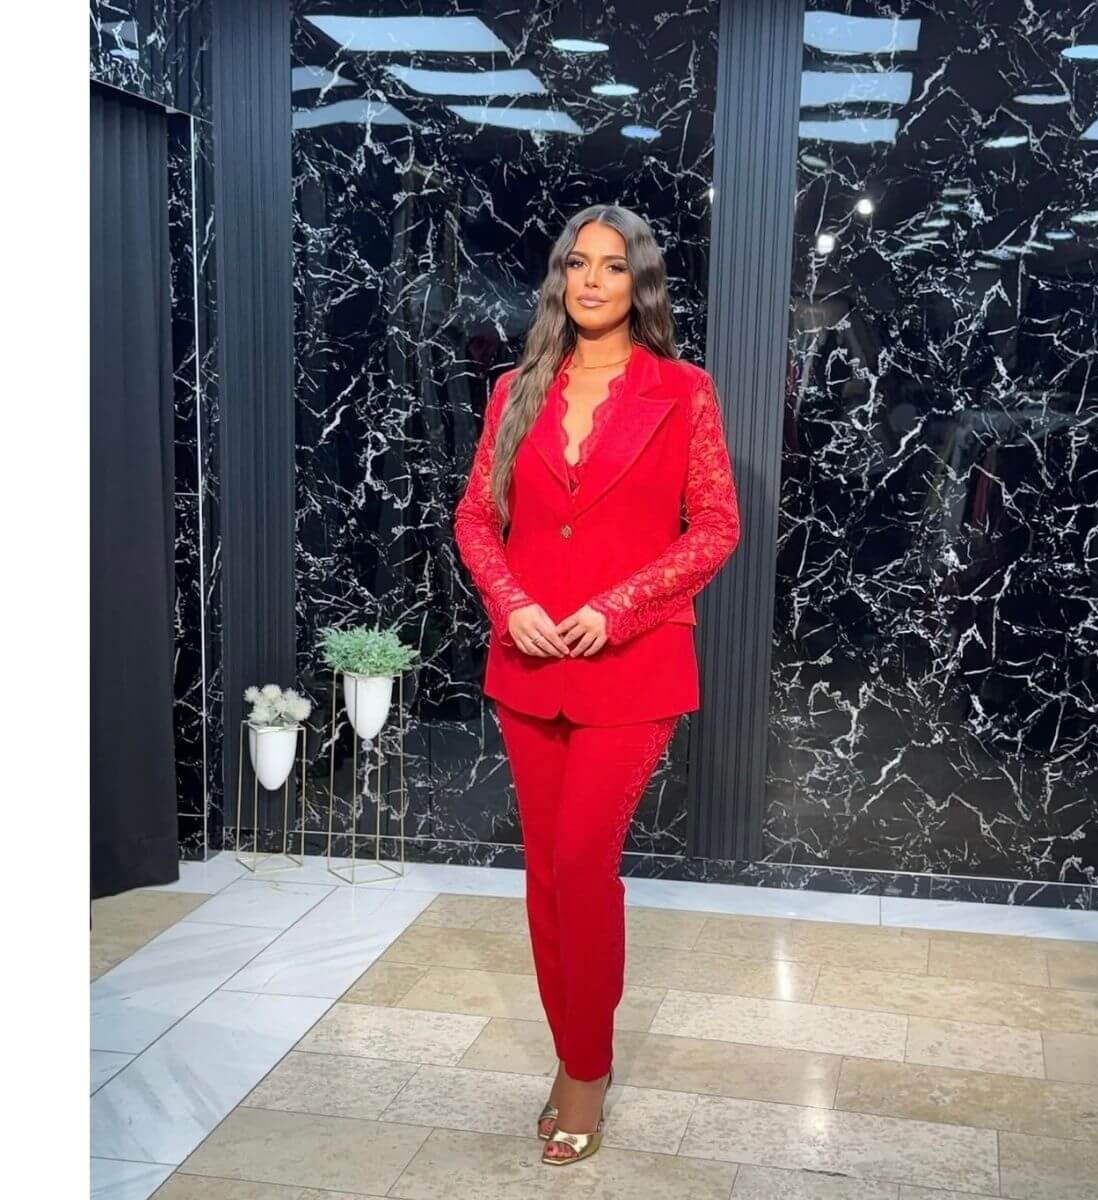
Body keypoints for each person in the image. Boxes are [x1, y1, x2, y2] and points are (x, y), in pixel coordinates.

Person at [453, 203, 740, 1165]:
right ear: (559, 278)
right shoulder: (516, 389)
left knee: (582, 864)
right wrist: (509, 603)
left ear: (640, 283)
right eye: (578, 263)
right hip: (527, 666)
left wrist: (618, 607)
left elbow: (717, 526)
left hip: (633, 665)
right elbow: (475, 518)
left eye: (614, 267)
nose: (592, 280)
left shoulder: (682, 391)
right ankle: (573, 1051)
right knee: (545, 874)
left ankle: (587, 1069)